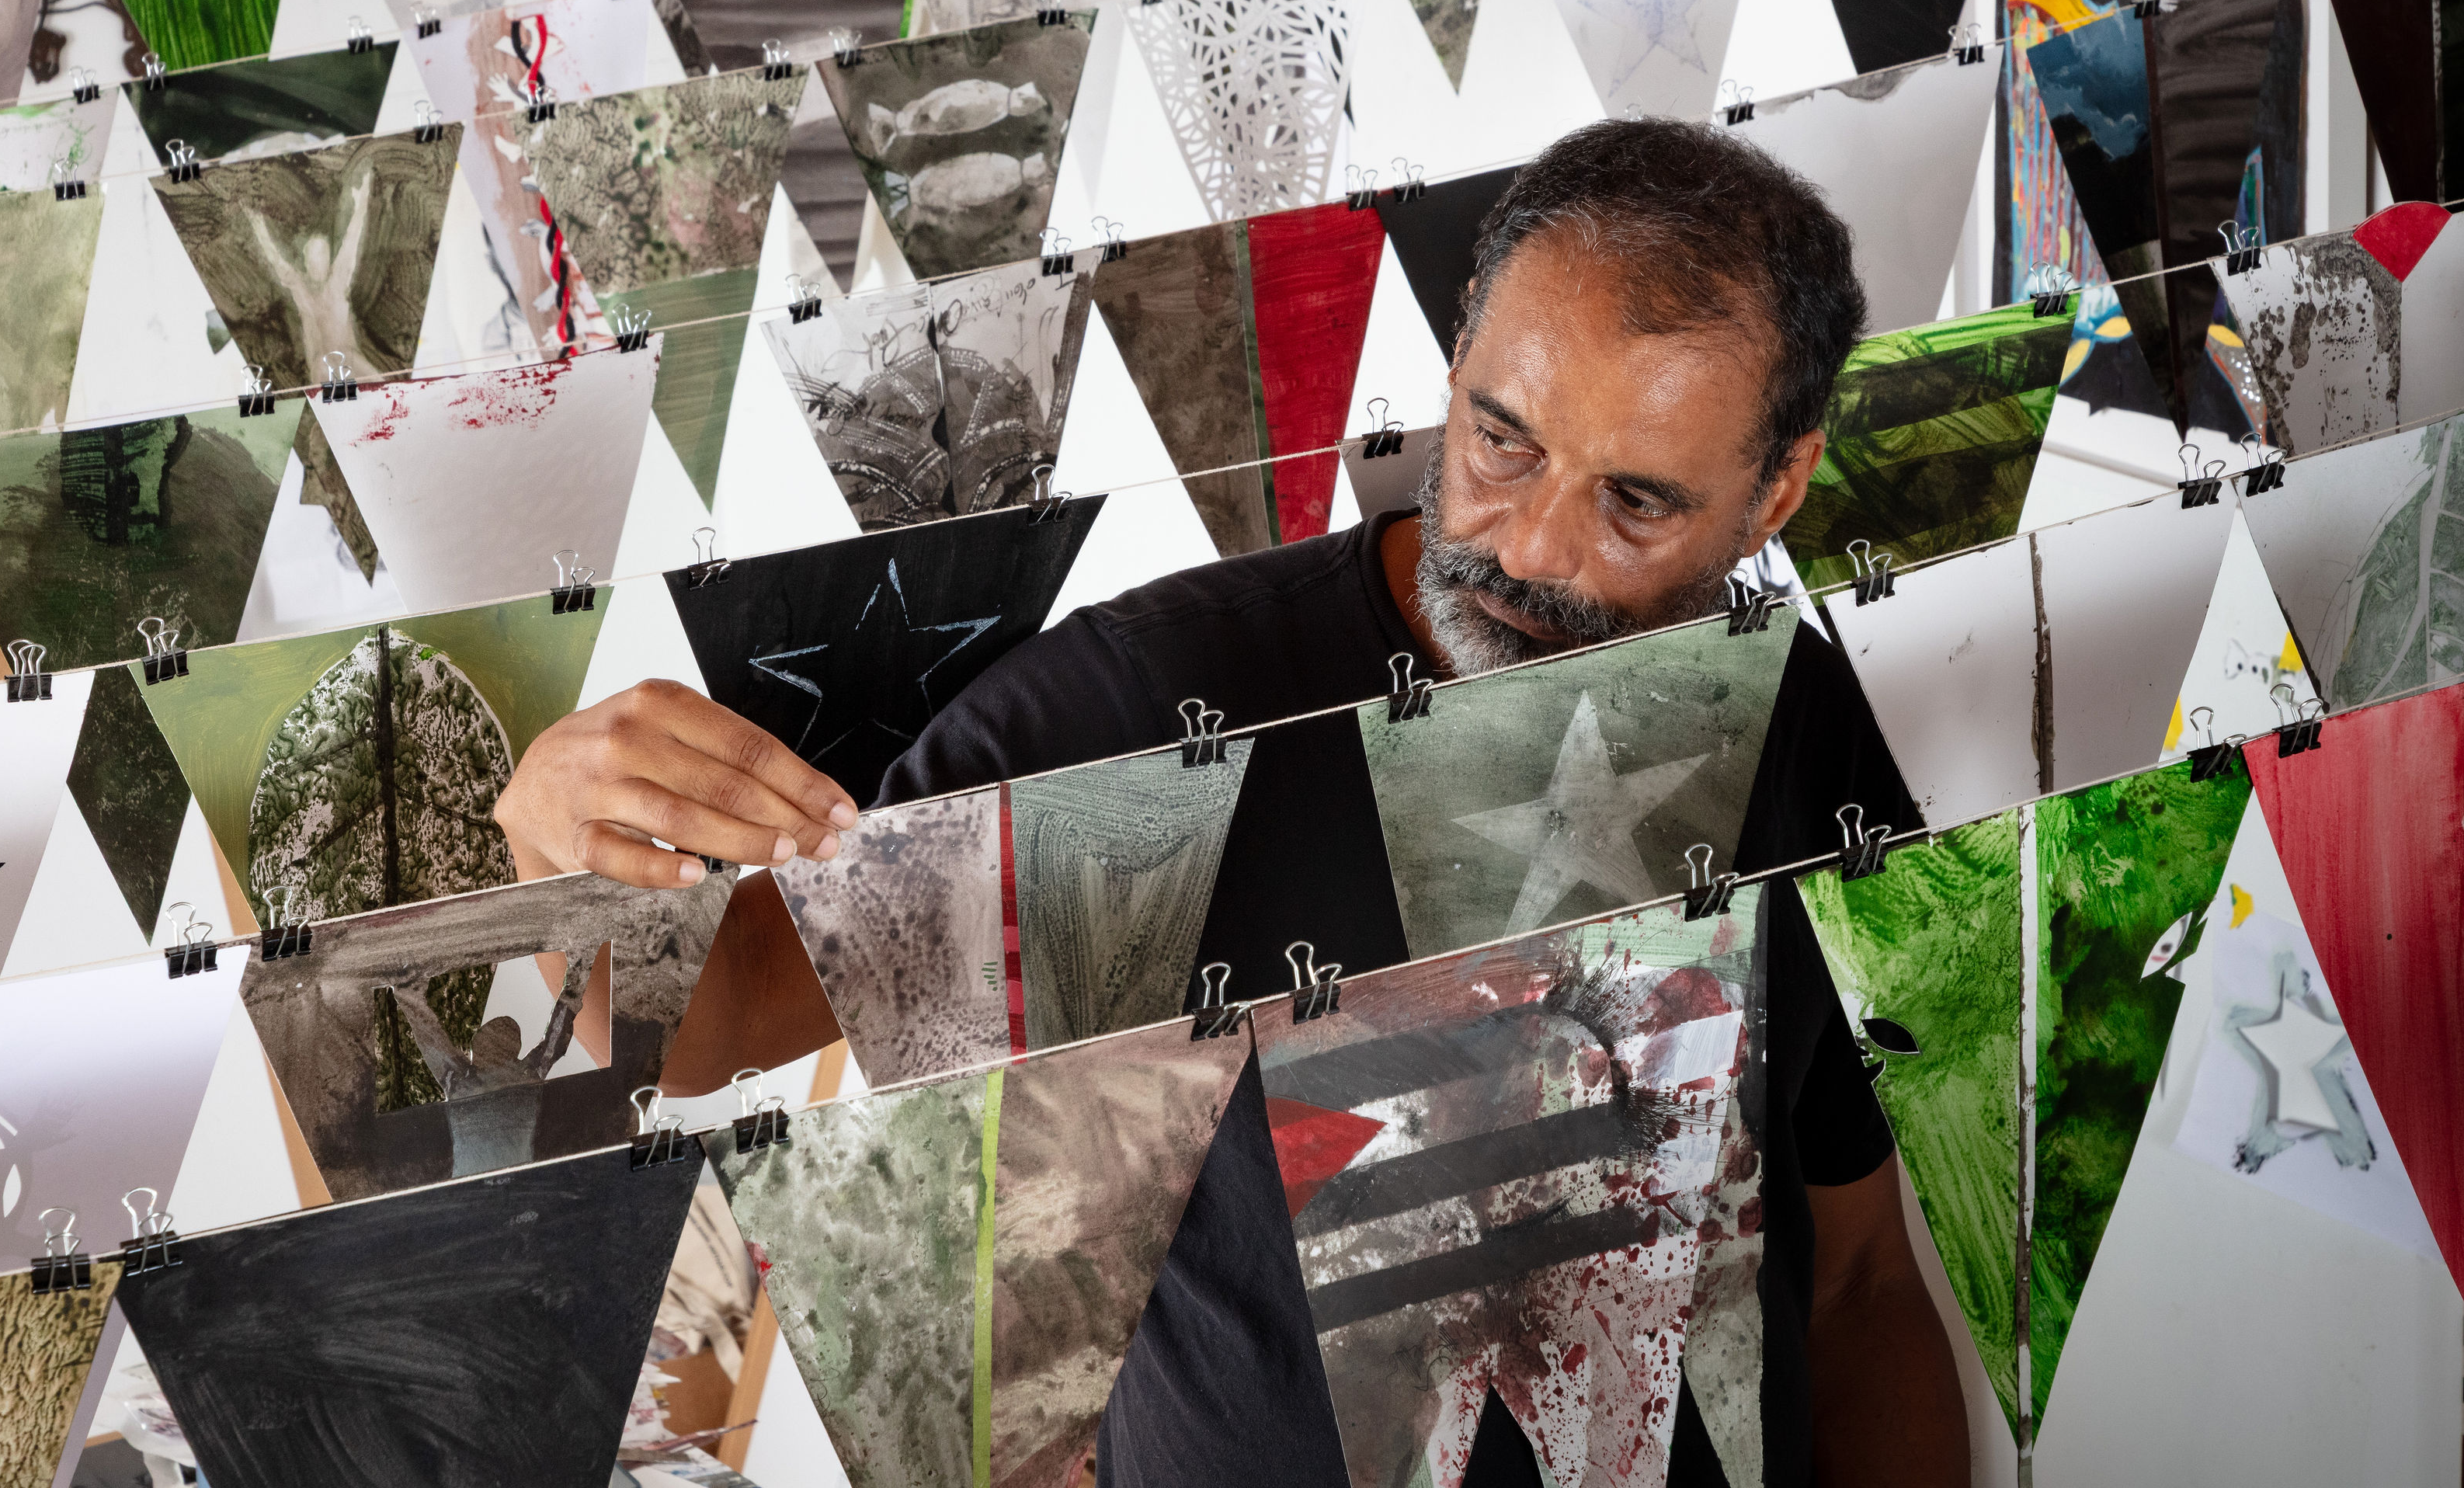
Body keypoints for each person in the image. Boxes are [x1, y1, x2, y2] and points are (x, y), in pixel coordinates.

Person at [495, 118, 1970, 1486]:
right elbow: (711, 1020)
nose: (1530, 546)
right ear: (1457, 364)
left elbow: (1858, 1278)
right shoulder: (1157, 712)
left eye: (1637, 502)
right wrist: (560, 839)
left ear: (1775, 495)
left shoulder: (1796, 718)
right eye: (1501, 439)